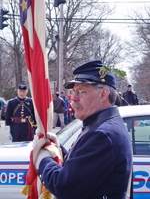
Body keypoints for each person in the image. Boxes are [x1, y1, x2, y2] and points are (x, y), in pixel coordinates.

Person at [36, 60, 132, 199]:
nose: (73, 98)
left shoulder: (103, 134)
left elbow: (63, 187)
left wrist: (42, 160)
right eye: (73, 91)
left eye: (80, 91)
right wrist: (56, 148)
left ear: (103, 94)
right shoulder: (102, 126)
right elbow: (81, 163)